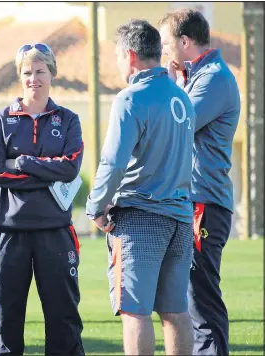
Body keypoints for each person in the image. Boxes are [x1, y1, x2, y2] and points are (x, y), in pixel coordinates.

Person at [86, 20, 196, 355]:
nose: (118, 64)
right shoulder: (181, 97)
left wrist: (95, 206)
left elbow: (114, 164)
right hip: (180, 217)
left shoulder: (130, 98)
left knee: (134, 312)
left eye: (119, 56)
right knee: (176, 312)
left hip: (141, 219)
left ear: (130, 55)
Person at [0, 43, 85, 355]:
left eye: (40, 71)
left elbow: (70, 168)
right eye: (27, 72)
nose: (33, 78)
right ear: (20, 76)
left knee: (63, 318)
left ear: (52, 74)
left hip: (54, 231)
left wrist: (24, 162)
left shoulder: (68, 120)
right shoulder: (1, 120)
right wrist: (45, 173)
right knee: (4, 318)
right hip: (7, 233)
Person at [159, 9, 241, 356]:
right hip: (194, 203)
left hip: (204, 205)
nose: (163, 51)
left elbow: (175, 125)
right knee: (188, 297)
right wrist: (177, 84)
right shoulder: (197, 78)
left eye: (165, 43)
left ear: (184, 42)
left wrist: (168, 86)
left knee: (200, 299)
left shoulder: (213, 79)